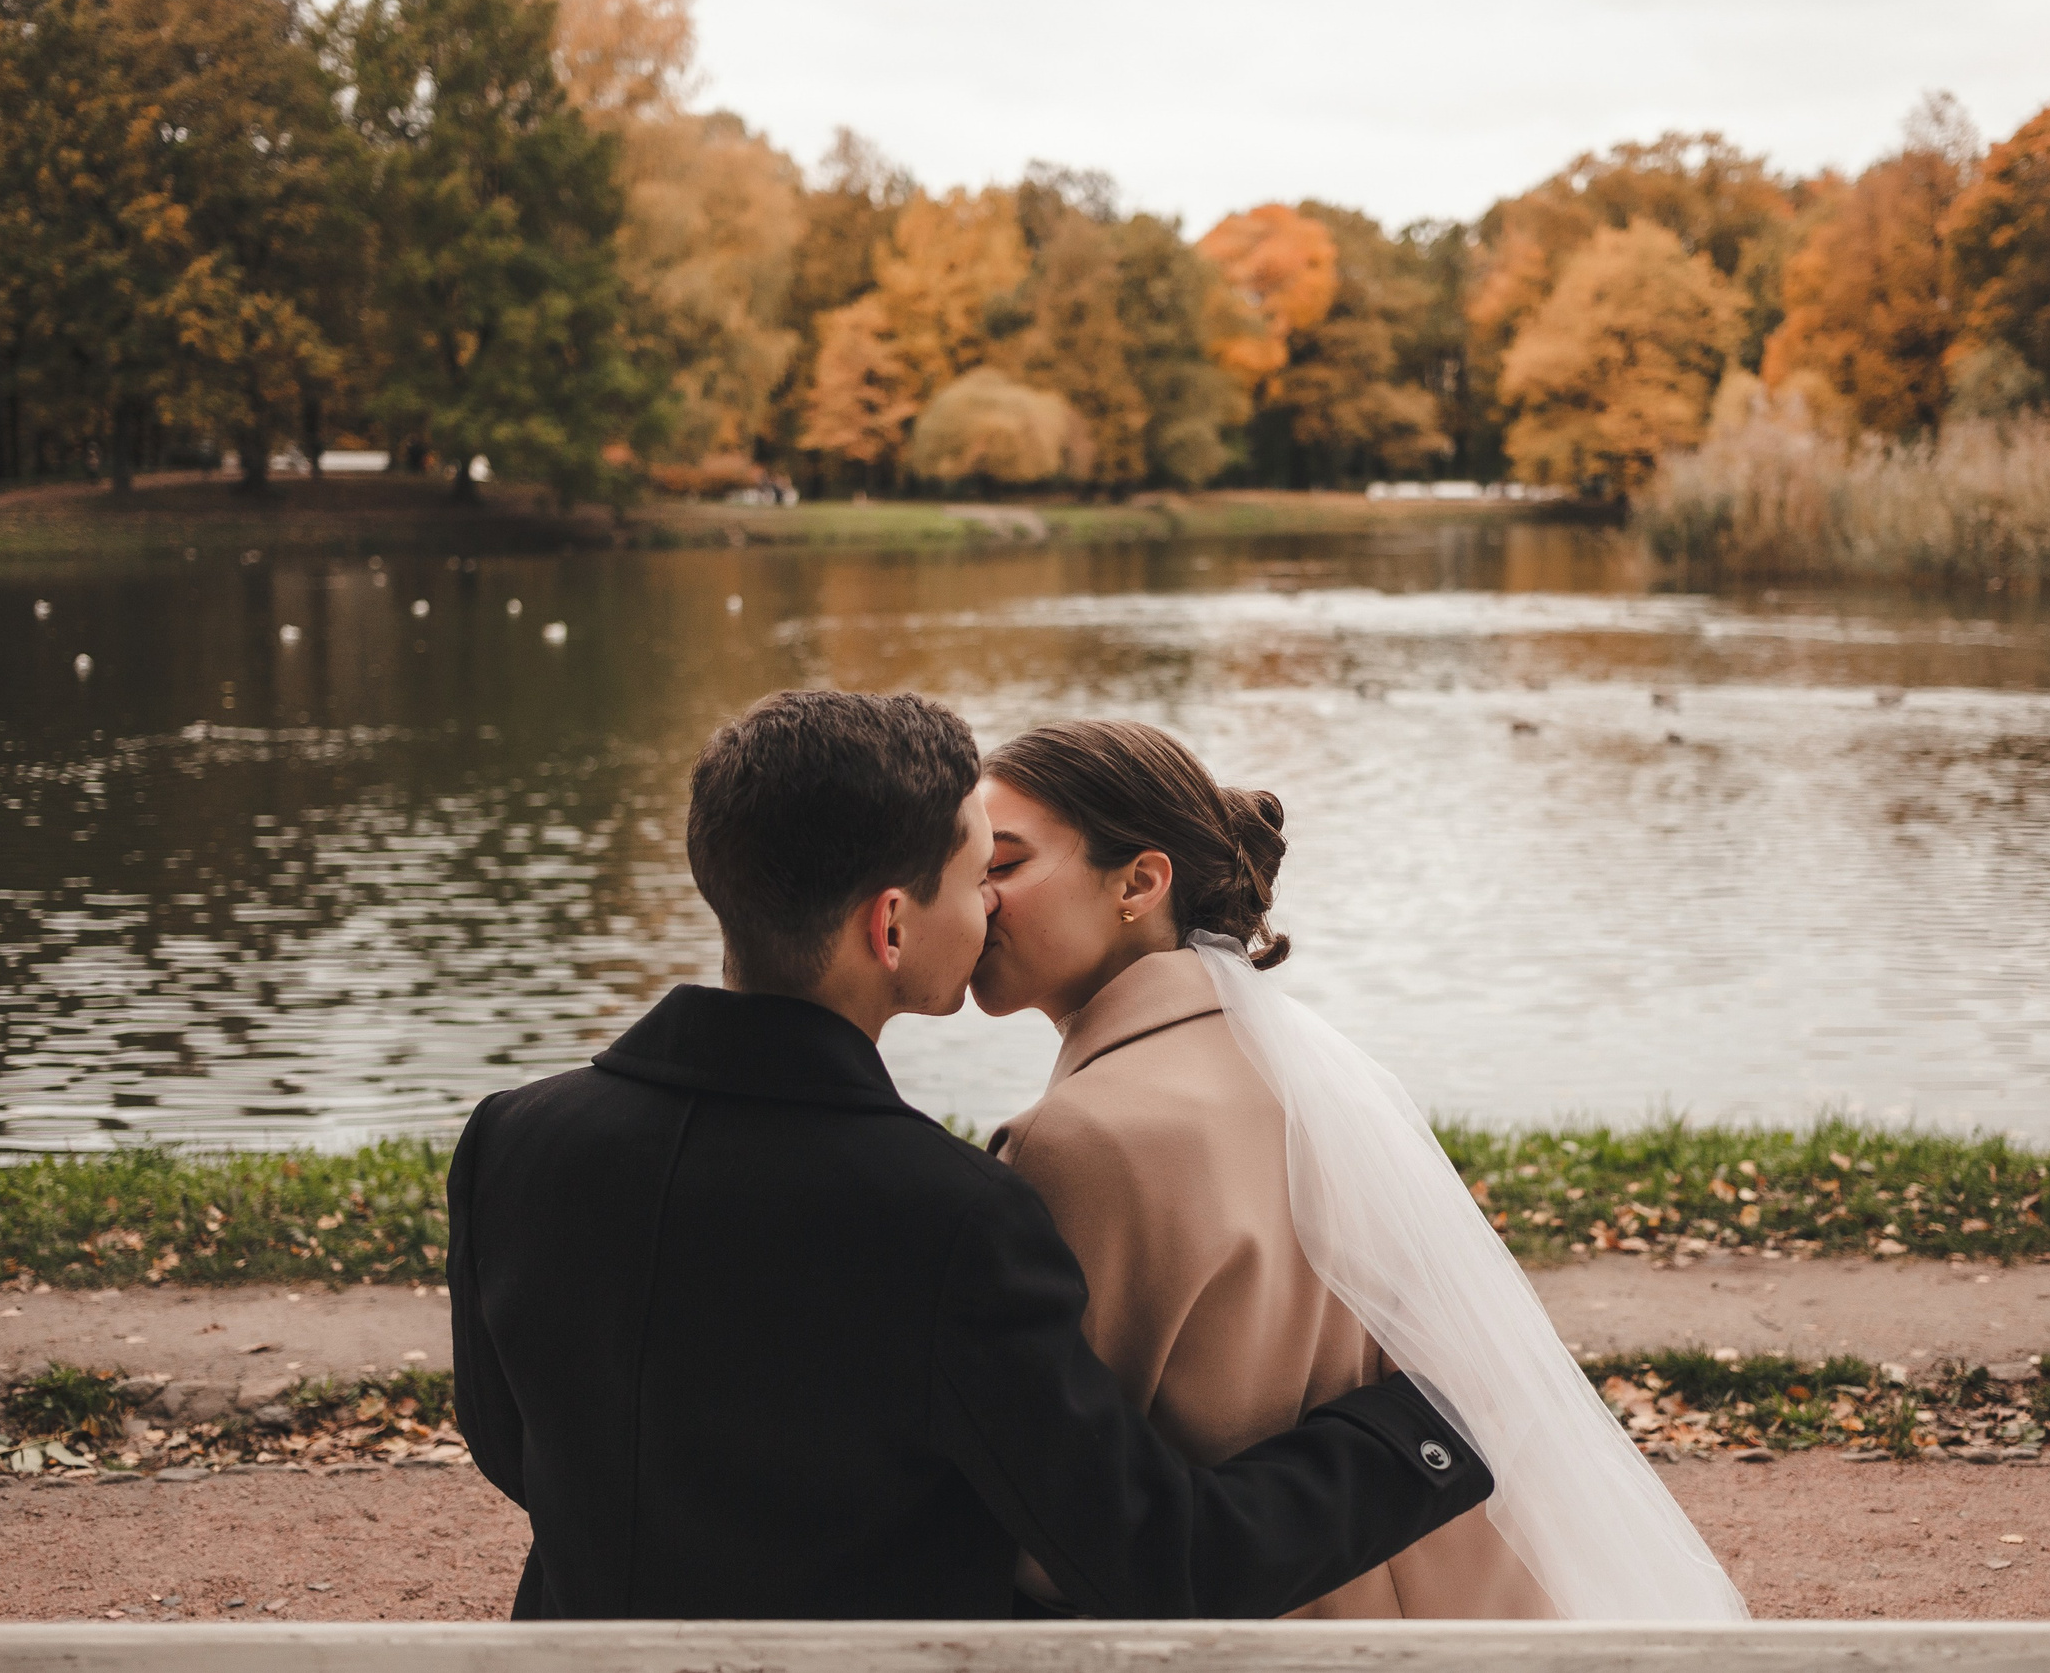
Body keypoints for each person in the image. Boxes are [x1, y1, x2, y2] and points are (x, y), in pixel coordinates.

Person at [447, 690, 1493, 1620]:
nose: (989, 905)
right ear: (891, 927)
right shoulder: (953, 1217)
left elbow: (508, 1441)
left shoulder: (512, 1138)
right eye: (972, 876)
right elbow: (1159, 1558)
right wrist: (1427, 1431)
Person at [974, 719, 1747, 1621]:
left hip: (1241, 1623)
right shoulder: (1310, 1073)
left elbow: (1050, 1514)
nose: (972, 899)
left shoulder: (1074, 1139)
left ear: (1141, 883)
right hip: (1435, 1606)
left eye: (1003, 865)